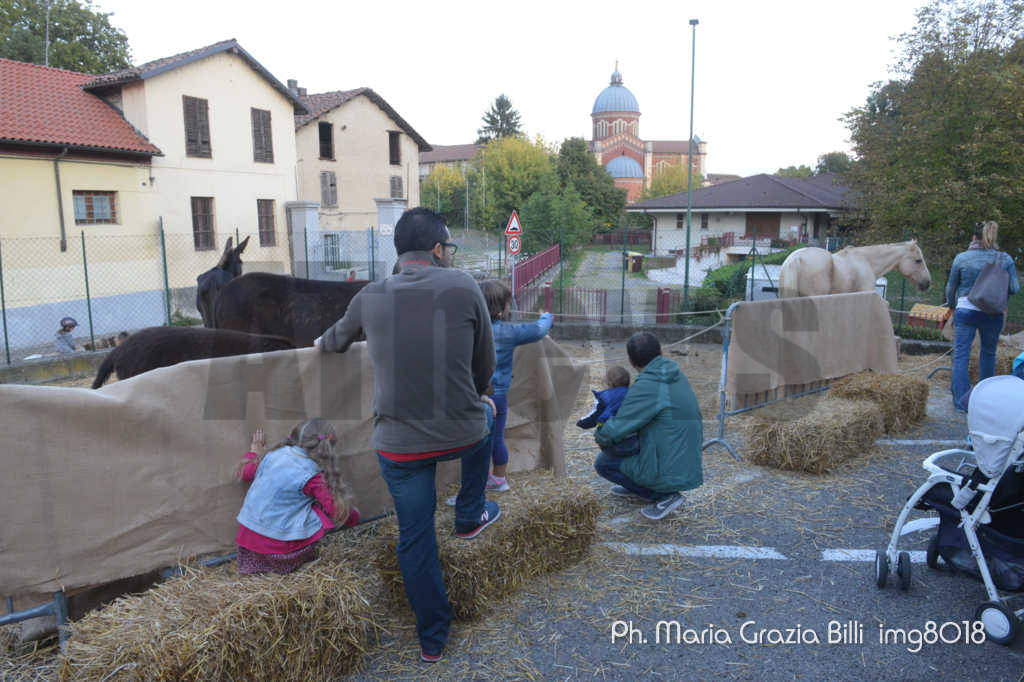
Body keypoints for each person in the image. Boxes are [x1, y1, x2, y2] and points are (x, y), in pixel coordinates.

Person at [317, 206, 498, 663]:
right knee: (488, 418)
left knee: (415, 537)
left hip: (399, 449)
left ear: (401, 252)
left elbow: (331, 343)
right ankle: (470, 514)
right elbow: (486, 363)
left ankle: (432, 638)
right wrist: (475, 397)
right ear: (438, 250)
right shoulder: (464, 285)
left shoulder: (370, 296)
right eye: (448, 248)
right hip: (462, 432)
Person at [594, 332, 703, 521]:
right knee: (627, 446)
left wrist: (599, 432)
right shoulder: (674, 373)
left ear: (630, 360)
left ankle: (663, 495)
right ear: (661, 352)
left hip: (670, 463)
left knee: (604, 462)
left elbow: (616, 428)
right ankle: (638, 486)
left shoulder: (647, 385)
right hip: (686, 455)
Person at [235, 419, 358, 575]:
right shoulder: (313, 475)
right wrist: (353, 517)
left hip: (248, 543)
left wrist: (255, 452)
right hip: (279, 552)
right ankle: (289, 563)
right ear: (326, 449)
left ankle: (259, 567)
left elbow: (245, 474)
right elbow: (336, 510)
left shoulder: (272, 454)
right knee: (319, 509)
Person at [478, 279, 553, 490]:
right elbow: (539, 330)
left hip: (475, 395)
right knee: (497, 438)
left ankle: (479, 482)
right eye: (508, 304)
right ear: (500, 310)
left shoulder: (470, 330)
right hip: (499, 395)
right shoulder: (508, 332)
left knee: (477, 443)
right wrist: (547, 316)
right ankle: (499, 479)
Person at [946, 221, 1021, 411]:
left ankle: (961, 402)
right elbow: (1014, 287)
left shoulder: (962, 258)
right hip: (993, 313)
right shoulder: (1005, 259)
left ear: (974, 237)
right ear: (992, 237)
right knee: (988, 354)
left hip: (966, 310)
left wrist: (953, 308)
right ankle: (983, 401)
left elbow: (951, 288)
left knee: (961, 355)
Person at [577, 366, 631, 430]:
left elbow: (593, 418)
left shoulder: (604, 398)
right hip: (630, 431)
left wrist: (581, 422)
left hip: (611, 432)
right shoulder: (633, 394)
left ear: (609, 383)